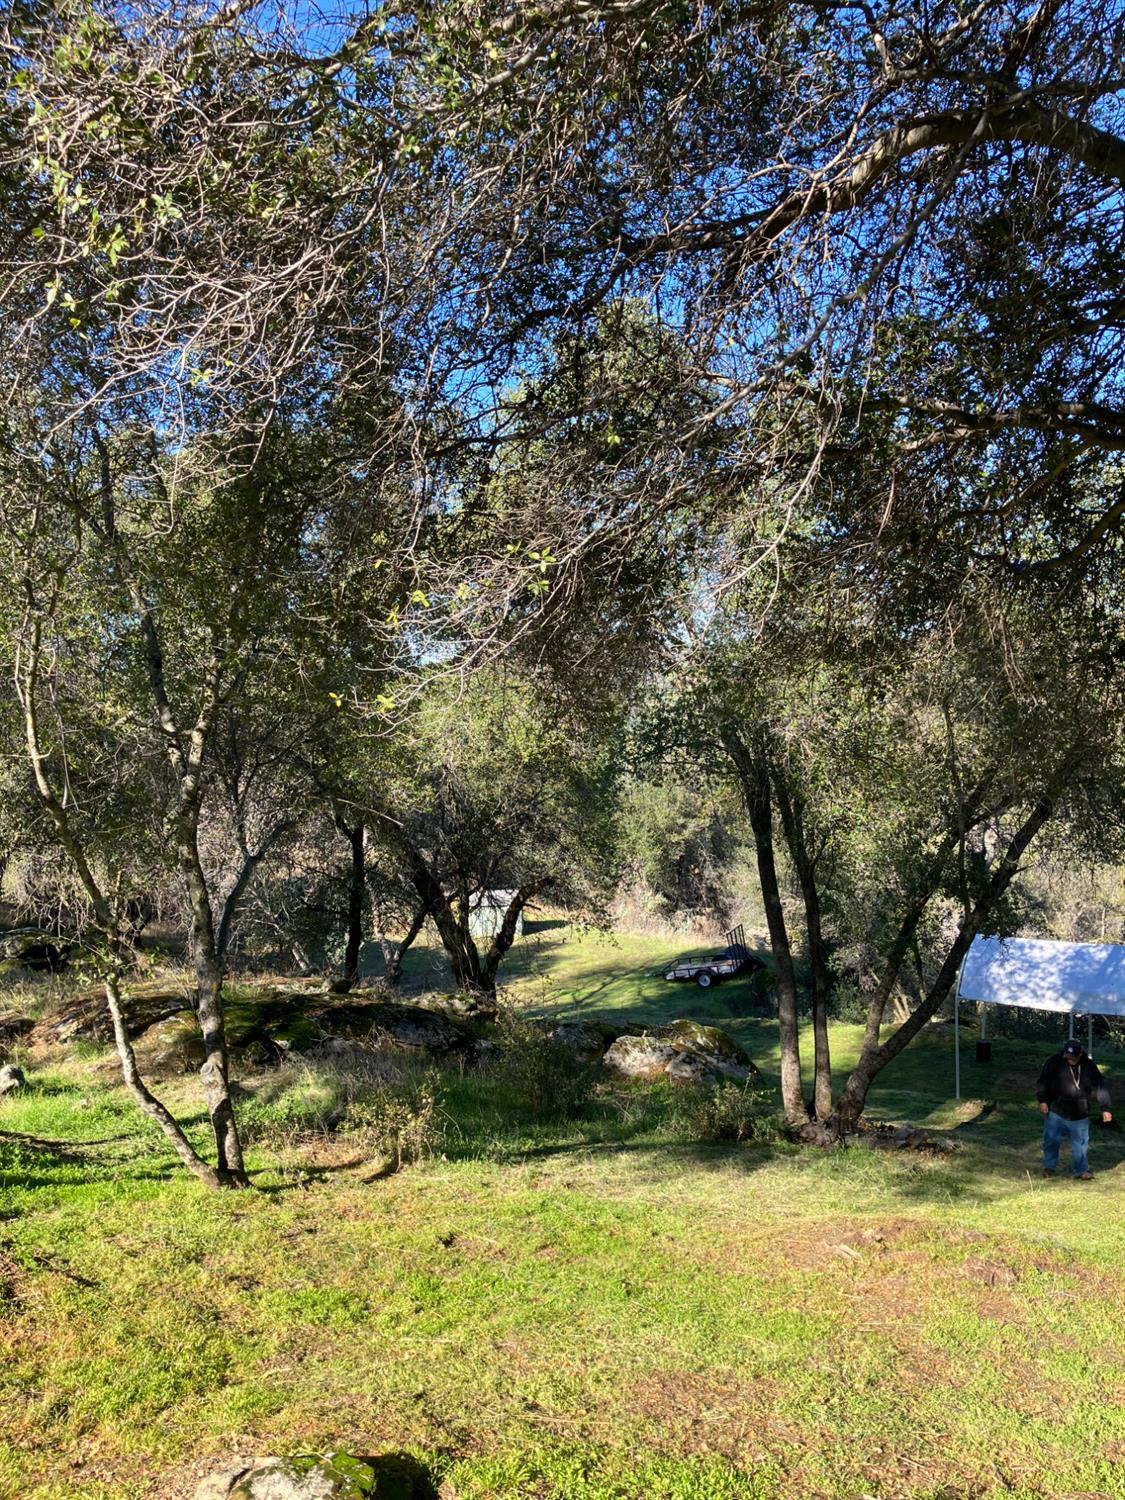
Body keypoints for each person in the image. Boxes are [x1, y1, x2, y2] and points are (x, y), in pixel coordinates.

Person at [1036, 1038, 1112, 1180]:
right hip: (1056, 1109)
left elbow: (1100, 1086)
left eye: (1073, 1058)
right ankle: (1049, 1167)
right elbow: (1042, 1082)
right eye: (1067, 1057)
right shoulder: (1054, 1062)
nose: (1070, 1060)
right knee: (1051, 1140)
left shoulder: (1089, 1066)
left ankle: (1081, 1170)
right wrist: (1043, 1100)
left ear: (1080, 1054)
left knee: (1081, 1143)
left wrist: (1105, 1108)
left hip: (1080, 1111)